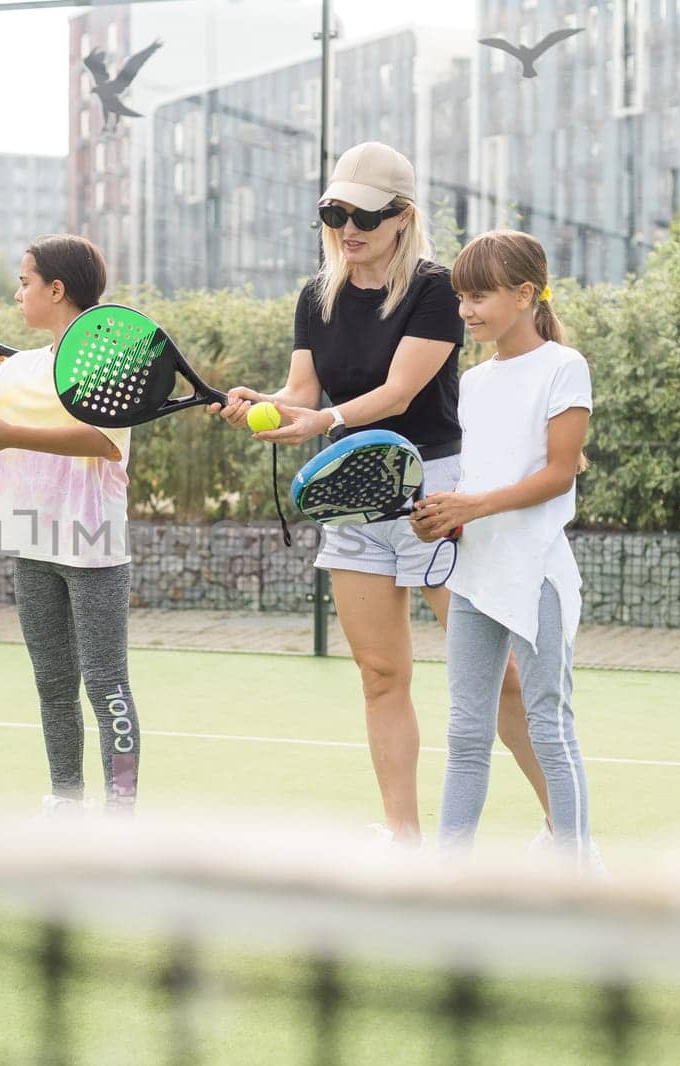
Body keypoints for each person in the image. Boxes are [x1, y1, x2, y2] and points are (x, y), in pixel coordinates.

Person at [214, 142, 550, 845]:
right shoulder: (317, 296)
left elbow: (399, 391)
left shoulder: (433, 289)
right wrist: (261, 405)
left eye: (363, 214)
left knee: (500, 679)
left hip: (437, 496)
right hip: (351, 495)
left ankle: (565, 826)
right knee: (379, 673)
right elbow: (303, 395)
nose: (346, 227)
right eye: (333, 212)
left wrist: (321, 419)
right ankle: (404, 841)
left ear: (402, 217)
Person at [0, 234, 140, 815]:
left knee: (107, 686)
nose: (18, 292)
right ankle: (66, 802)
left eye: (25, 282)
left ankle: (122, 813)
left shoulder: (109, 361)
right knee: (53, 682)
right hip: (30, 542)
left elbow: (102, 441)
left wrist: (11, 435)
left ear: (56, 289)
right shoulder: (19, 369)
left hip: (94, 543)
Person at [411, 229, 593, 863]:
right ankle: (447, 879)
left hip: (535, 575)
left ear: (524, 294)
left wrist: (474, 505)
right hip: (474, 574)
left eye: (478, 296)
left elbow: (559, 474)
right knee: (465, 733)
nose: (466, 310)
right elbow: (478, 478)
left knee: (549, 727)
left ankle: (579, 872)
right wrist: (443, 517)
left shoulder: (565, 367)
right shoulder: (475, 381)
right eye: (461, 297)